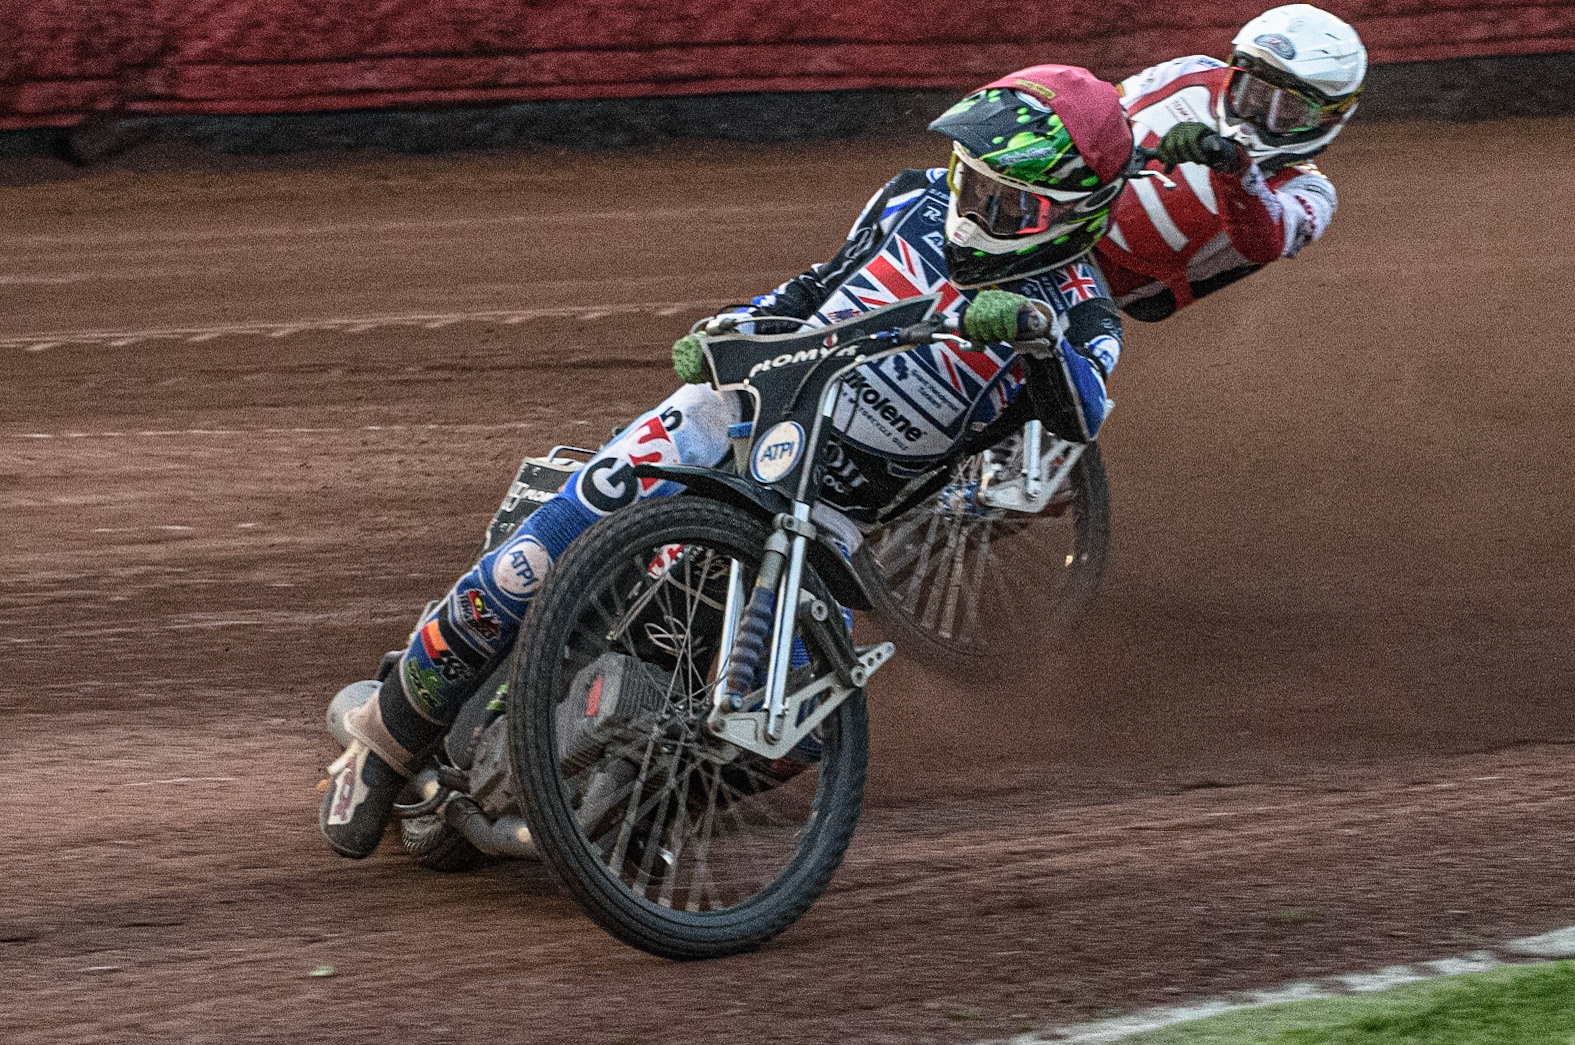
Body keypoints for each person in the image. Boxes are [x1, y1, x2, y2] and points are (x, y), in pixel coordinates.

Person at [320, 64, 1140, 859]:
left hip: (830, 515)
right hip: (732, 416)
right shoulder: (908, 199)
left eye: (1004, 200)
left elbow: (1079, 415)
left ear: (1071, 216)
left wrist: (1038, 342)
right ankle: (383, 745)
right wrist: (730, 325)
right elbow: (818, 282)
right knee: (527, 564)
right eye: (971, 181)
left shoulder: (1083, 314)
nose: (972, 206)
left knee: (794, 735)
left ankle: (650, 802)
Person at [1095, 4, 1367, 321]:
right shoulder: (1190, 72)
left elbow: (1267, 241)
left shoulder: (1312, 193)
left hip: (1096, 290)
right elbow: (1099, 111)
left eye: (1288, 109)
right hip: (1052, 214)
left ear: (1330, 117)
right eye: (1251, 91)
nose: (1257, 115)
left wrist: (1233, 167)